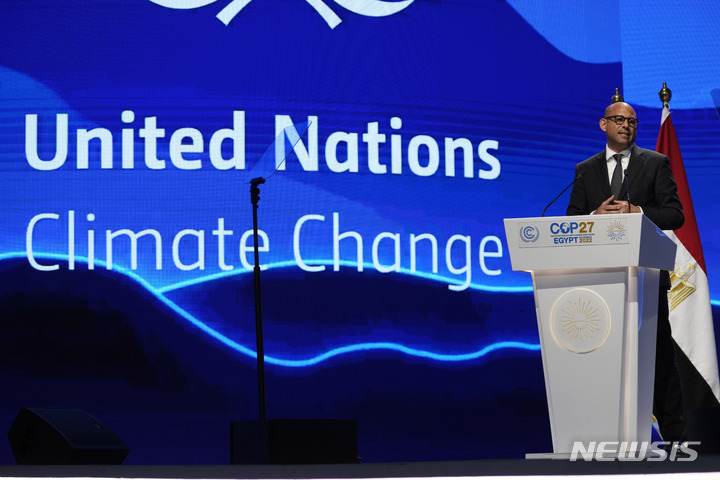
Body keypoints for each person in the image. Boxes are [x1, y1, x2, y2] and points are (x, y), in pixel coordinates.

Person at [566, 100, 686, 441]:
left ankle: (676, 442)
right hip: (598, 280)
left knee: (659, 357)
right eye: (618, 120)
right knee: (604, 361)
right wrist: (594, 218)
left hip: (645, 277)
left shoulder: (656, 163)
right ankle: (606, 437)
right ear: (603, 125)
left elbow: (675, 215)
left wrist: (637, 211)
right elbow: (571, 220)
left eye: (632, 121)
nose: (626, 126)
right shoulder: (585, 170)